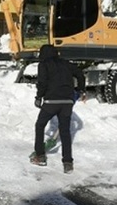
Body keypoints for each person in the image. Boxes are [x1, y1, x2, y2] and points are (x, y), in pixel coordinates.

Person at [30, 44, 86, 173]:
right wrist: (80, 90)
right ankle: (68, 163)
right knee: (65, 131)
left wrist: (39, 97)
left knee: (40, 125)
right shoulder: (66, 63)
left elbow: (42, 82)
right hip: (67, 102)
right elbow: (80, 74)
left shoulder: (44, 64)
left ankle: (40, 156)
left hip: (51, 101)